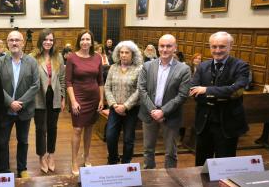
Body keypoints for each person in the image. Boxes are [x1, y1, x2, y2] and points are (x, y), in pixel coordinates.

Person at [190, 31, 250, 166]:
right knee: (201, 164)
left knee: (225, 166)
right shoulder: (202, 66)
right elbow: (194, 90)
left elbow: (237, 90)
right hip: (204, 123)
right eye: (214, 46)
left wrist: (206, 90)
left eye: (222, 46)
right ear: (210, 47)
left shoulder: (241, 66)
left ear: (231, 46)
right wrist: (223, 95)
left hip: (227, 124)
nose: (217, 51)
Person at [138, 34, 191, 169]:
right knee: (148, 150)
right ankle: (150, 177)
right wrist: (153, 111)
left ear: (175, 48)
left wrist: (163, 111)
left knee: (171, 153)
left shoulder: (184, 69)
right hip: (149, 114)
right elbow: (142, 89)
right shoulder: (147, 66)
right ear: (158, 47)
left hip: (171, 115)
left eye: (169, 46)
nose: (165, 49)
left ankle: (171, 182)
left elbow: (182, 95)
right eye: (162, 46)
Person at [0, 30, 39, 178]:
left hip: (24, 110)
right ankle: (4, 170)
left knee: (23, 141)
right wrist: (10, 102)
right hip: (5, 110)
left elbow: (35, 85)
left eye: (17, 40)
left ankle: (22, 168)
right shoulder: (0, 61)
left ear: (23, 42)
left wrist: (21, 102)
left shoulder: (31, 62)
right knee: (2, 142)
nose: (14, 43)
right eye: (11, 40)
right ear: (7, 43)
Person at [66, 30, 104, 175]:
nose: (85, 42)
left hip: (94, 98)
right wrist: (73, 101)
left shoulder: (97, 57)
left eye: (88, 39)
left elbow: (100, 81)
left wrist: (101, 99)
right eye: (82, 39)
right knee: (77, 129)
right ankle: (74, 161)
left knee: (89, 128)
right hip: (78, 98)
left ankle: (87, 156)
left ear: (92, 42)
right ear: (79, 41)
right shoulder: (72, 58)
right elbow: (68, 82)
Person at [31, 29, 65, 174]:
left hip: (55, 96)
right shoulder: (33, 57)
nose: (48, 42)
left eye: (51, 40)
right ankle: (41, 156)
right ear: (40, 41)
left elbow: (62, 79)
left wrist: (63, 98)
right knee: (41, 129)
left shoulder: (58, 57)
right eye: (45, 39)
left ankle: (51, 155)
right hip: (38, 97)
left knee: (52, 128)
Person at [104, 41, 143, 164]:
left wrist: (125, 106)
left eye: (127, 52)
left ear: (133, 54)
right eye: (121, 52)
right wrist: (114, 105)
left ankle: (126, 162)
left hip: (131, 109)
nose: (124, 55)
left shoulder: (139, 69)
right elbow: (107, 87)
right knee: (110, 136)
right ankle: (113, 159)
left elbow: (139, 90)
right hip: (114, 108)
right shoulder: (113, 67)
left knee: (128, 138)